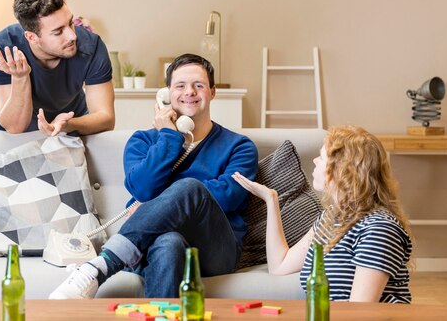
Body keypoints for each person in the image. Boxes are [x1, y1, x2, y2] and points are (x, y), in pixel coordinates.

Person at [49, 53, 258, 299]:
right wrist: (170, 138)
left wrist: (160, 204)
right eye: (180, 86)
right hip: (152, 244)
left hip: (216, 250)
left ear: (212, 92)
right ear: (167, 95)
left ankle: (101, 266)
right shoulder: (143, 141)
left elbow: (227, 197)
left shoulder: (240, 147)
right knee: (169, 243)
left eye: (198, 85)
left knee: (192, 188)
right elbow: (142, 190)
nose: (189, 92)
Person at [233, 125, 413, 303]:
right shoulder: (331, 219)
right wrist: (271, 199)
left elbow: (361, 312)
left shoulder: (379, 229)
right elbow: (280, 265)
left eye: (321, 157)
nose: (314, 161)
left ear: (343, 170)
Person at [0, 0, 115, 136]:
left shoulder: (91, 46)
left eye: (71, 23)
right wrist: (20, 78)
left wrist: (67, 124)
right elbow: (15, 127)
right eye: (58, 32)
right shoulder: (3, 47)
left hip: (70, 120)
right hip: (6, 128)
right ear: (32, 38)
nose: (73, 36)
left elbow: (106, 118)